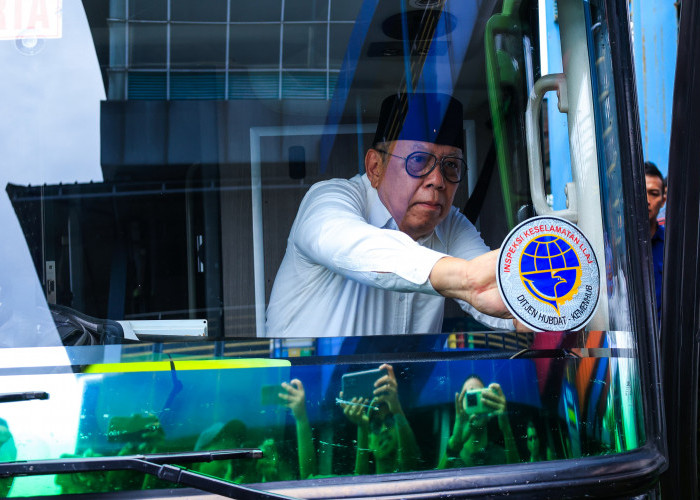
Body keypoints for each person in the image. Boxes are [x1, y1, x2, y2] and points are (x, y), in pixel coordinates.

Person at [265, 92, 512, 337]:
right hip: (300, 376)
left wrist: (533, 304)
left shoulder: (450, 224)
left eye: (451, 166)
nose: (437, 181)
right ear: (375, 168)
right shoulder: (329, 198)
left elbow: (498, 293)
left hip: (401, 377)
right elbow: (352, 246)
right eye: (419, 160)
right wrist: (466, 277)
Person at [340, 364, 420, 475]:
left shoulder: (415, 478)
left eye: (389, 421)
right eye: (376, 425)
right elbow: (359, 483)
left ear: (398, 431)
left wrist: (396, 408)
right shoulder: (367, 487)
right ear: (369, 442)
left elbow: (410, 464)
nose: (383, 430)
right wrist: (362, 425)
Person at [438, 375, 519, 468]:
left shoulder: (501, 455)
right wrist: (454, 446)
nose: (475, 403)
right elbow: (436, 482)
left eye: (480, 396)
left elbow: (518, 475)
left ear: (490, 407)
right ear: (460, 405)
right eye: (470, 397)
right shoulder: (451, 459)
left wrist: (506, 428)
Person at [645, 162, 666, 322]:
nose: (647, 200)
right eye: (641, 192)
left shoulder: (673, 248)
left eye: (653, 193)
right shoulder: (615, 249)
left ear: (663, 200)